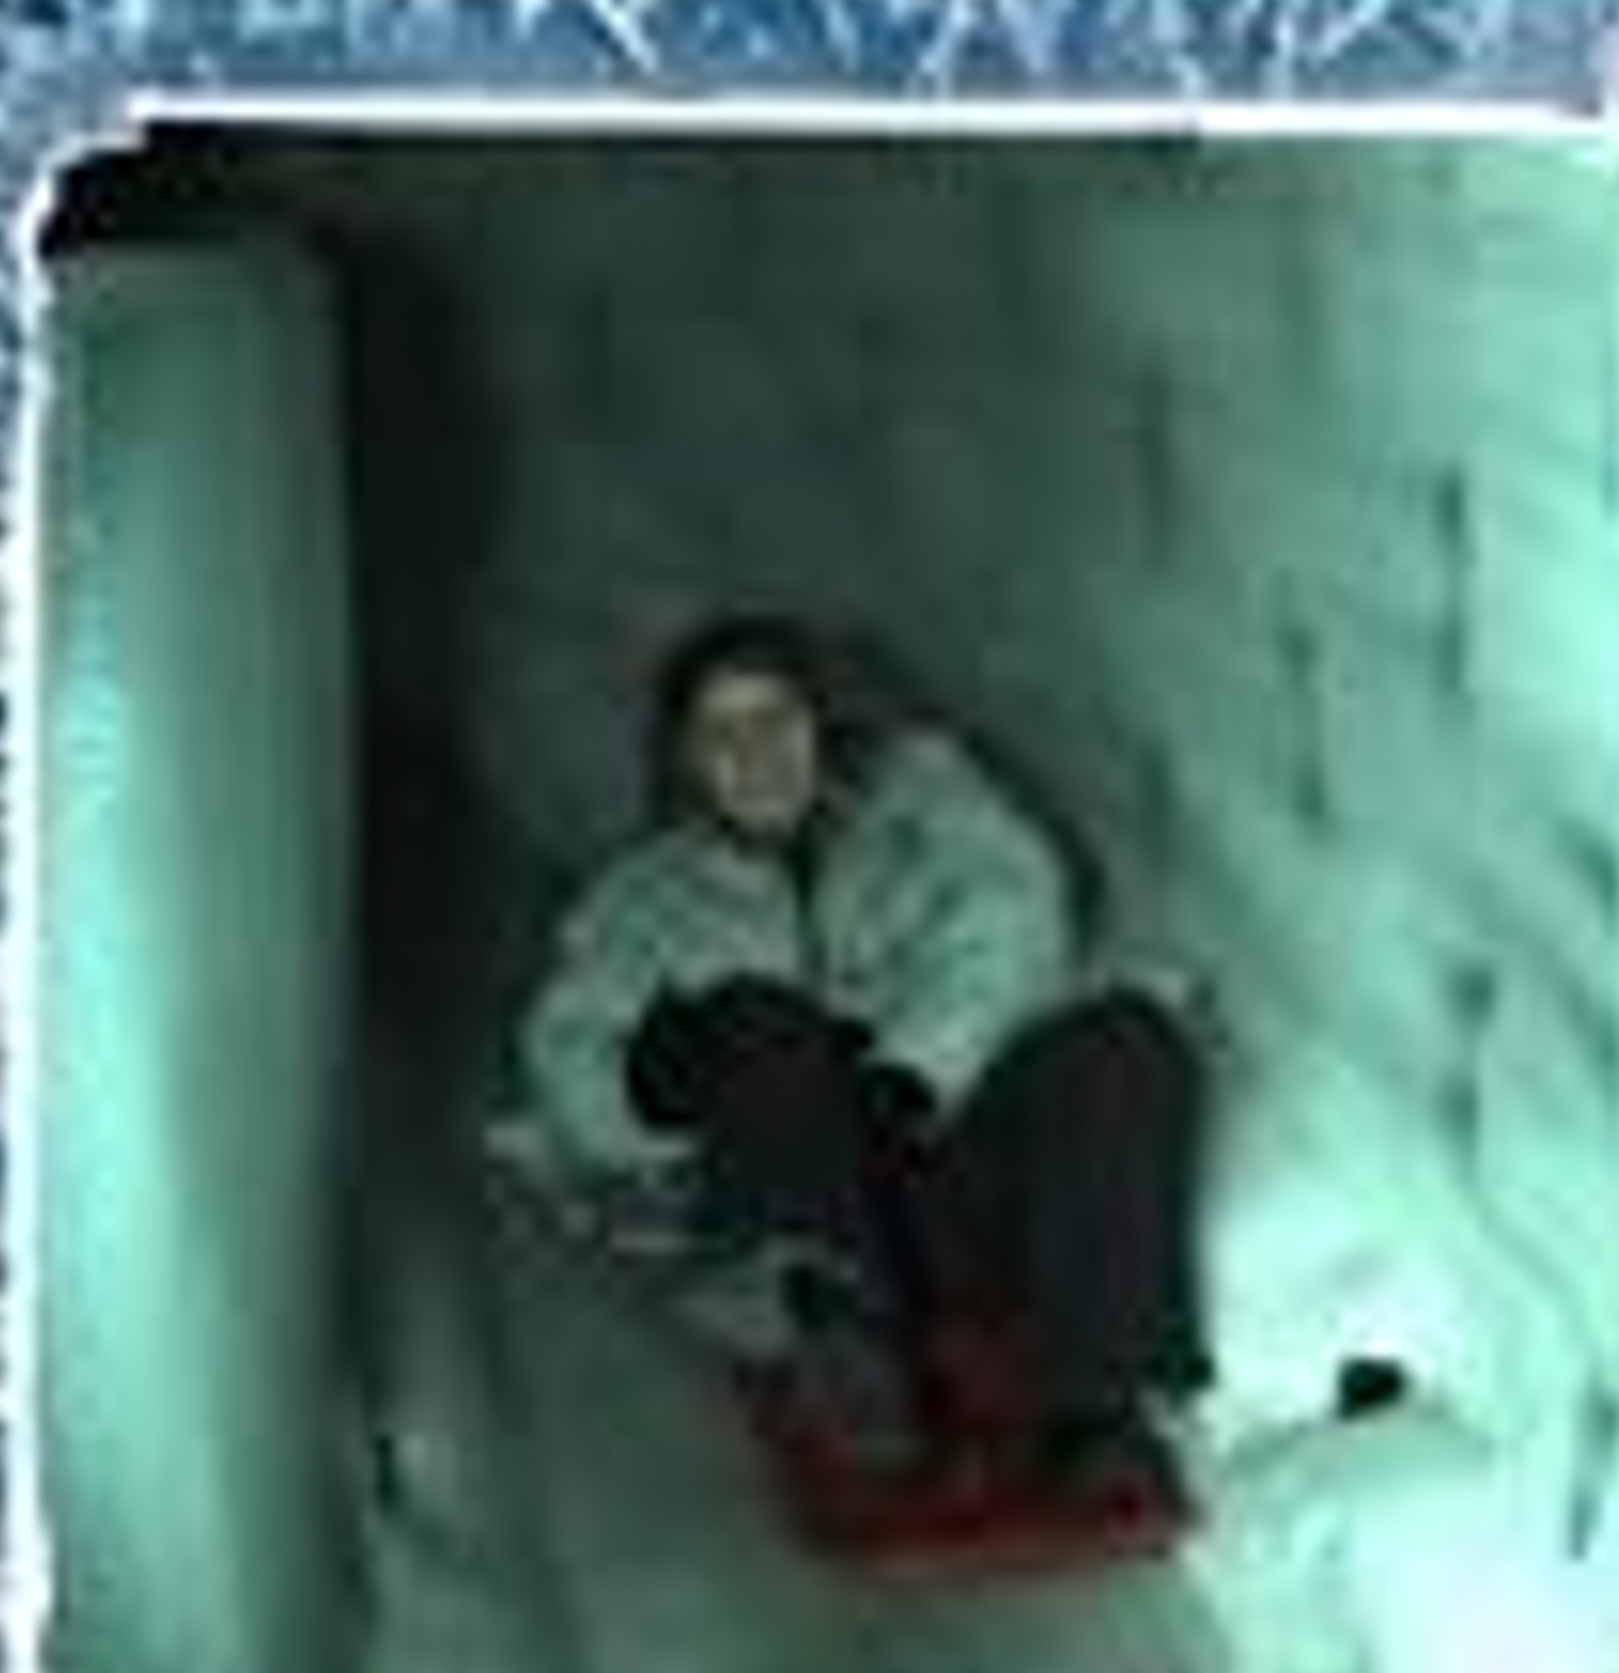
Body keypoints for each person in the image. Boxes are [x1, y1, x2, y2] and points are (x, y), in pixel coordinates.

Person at [500, 612, 1211, 1514]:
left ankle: (1103, 1411)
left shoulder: (923, 804)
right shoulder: (643, 900)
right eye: (722, 734)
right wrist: (649, 1086)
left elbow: (1017, 913)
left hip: (942, 1182)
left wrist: (907, 1076)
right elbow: (564, 1053)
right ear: (685, 761)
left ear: (822, 721)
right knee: (759, 1018)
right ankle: (847, 1365)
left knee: (1127, 1038)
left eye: (775, 719)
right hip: (796, 1227)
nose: (756, 754)